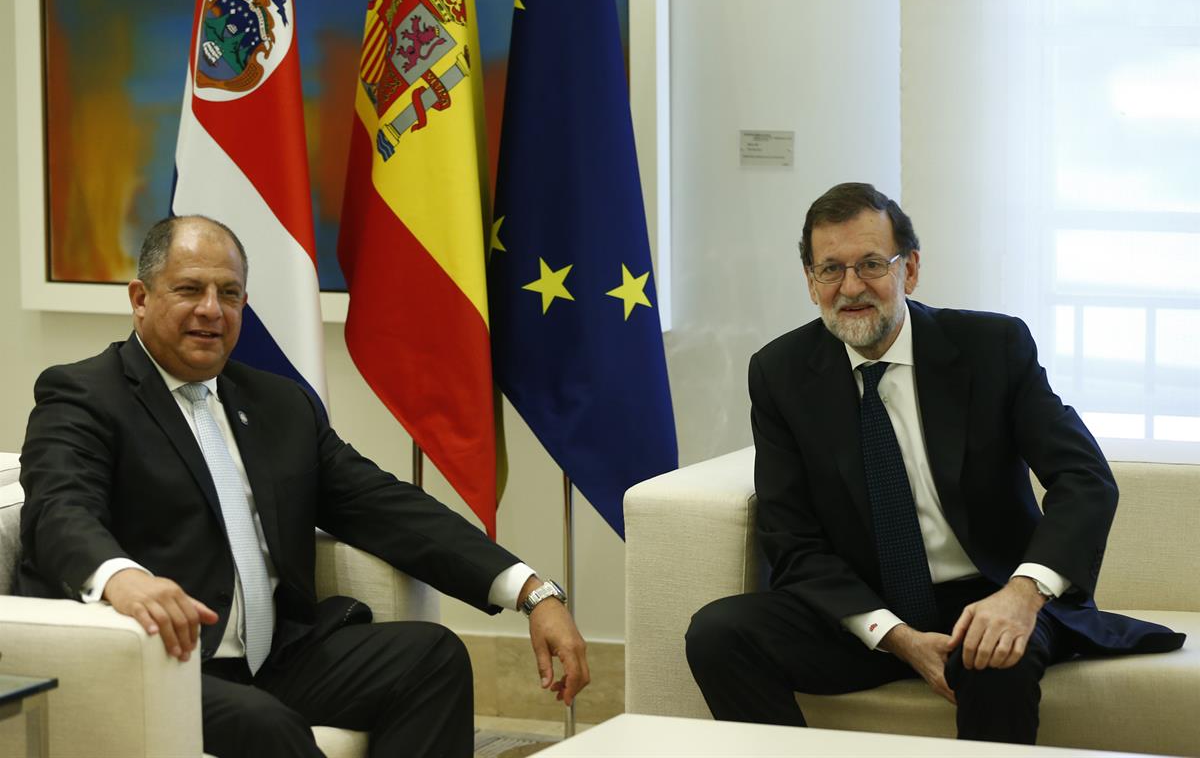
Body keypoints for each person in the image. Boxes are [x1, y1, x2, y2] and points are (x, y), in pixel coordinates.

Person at [17, 215, 589, 758]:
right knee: (266, 725)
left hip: (277, 655)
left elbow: (384, 506)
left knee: (431, 656)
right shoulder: (85, 395)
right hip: (164, 659)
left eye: (230, 293)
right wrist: (122, 578)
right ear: (141, 300)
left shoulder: (279, 404)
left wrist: (530, 590)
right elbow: (59, 511)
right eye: (189, 290)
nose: (212, 311)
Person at [685, 182, 1184, 744]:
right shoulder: (780, 373)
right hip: (865, 613)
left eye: (872, 264)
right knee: (718, 632)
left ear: (911, 269)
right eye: (830, 270)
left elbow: (1085, 479)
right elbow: (792, 539)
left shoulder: (991, 346)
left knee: (993, 656)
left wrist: (1023, 595)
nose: (851, 287)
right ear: (809, 280)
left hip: (990, 594)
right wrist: (895, 635)